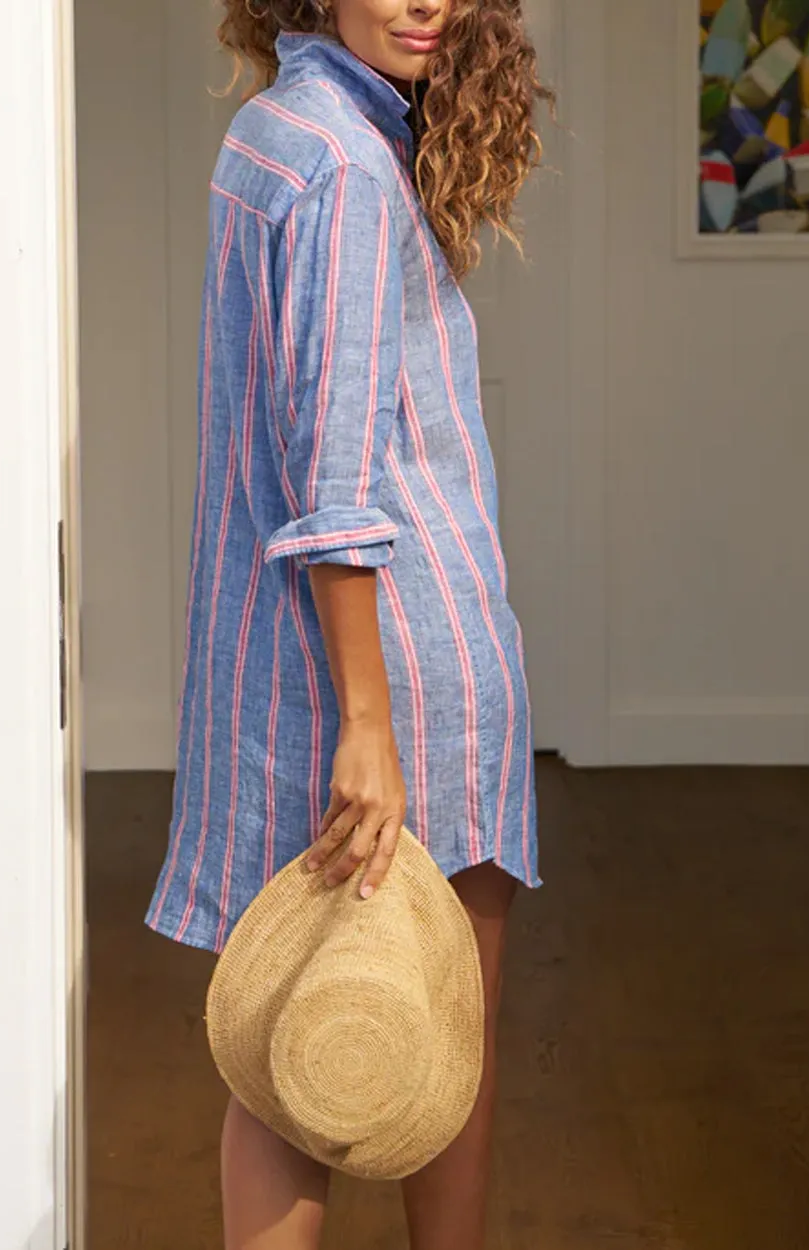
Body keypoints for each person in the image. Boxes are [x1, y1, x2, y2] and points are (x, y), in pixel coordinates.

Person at [146, 0, 552, 1245]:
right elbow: (333, 485)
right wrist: (368, 726)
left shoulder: (272, 135)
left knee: (283, 1050)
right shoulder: (339, 163)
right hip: (398, 675)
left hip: (279, 669)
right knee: (437, 1038)